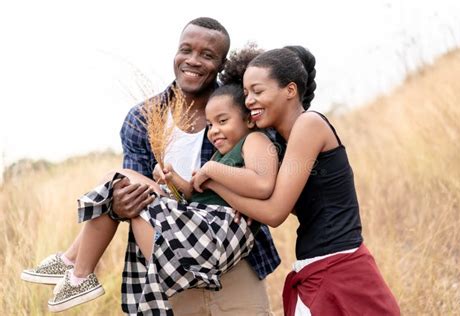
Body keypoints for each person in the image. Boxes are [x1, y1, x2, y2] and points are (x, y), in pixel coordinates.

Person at [21, 71, 279, 314]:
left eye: (222, 121)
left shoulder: (253, 140)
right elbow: (194, 192)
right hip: (201, 230)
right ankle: (76, 266)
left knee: (122, 180)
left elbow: (263, 184)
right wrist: (172, 178)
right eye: (211, 124)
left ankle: (77, 269)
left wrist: (211, 169)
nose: (214, 131)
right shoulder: (151, 120)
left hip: (221, 234)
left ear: (247, 119)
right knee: (118, 181)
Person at [198, 46, 401, 315]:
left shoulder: (309, 125)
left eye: (258, 91)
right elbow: (268, 198)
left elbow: (274, 212)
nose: (249, 101)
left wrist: (213, 178)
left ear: (290, 90)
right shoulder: (282, 143)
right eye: (246, 94)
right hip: (317, 268)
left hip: (341, 270)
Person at [113, 17, 280, 315]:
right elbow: (136, 197)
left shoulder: (241, 107)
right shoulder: (142, 119)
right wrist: (122, 204)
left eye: (207, 55)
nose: (193, 61)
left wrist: (228, 186)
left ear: (222, 63)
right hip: (169, 269)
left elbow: (265, 178)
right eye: (186, 50)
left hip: (236, 263)